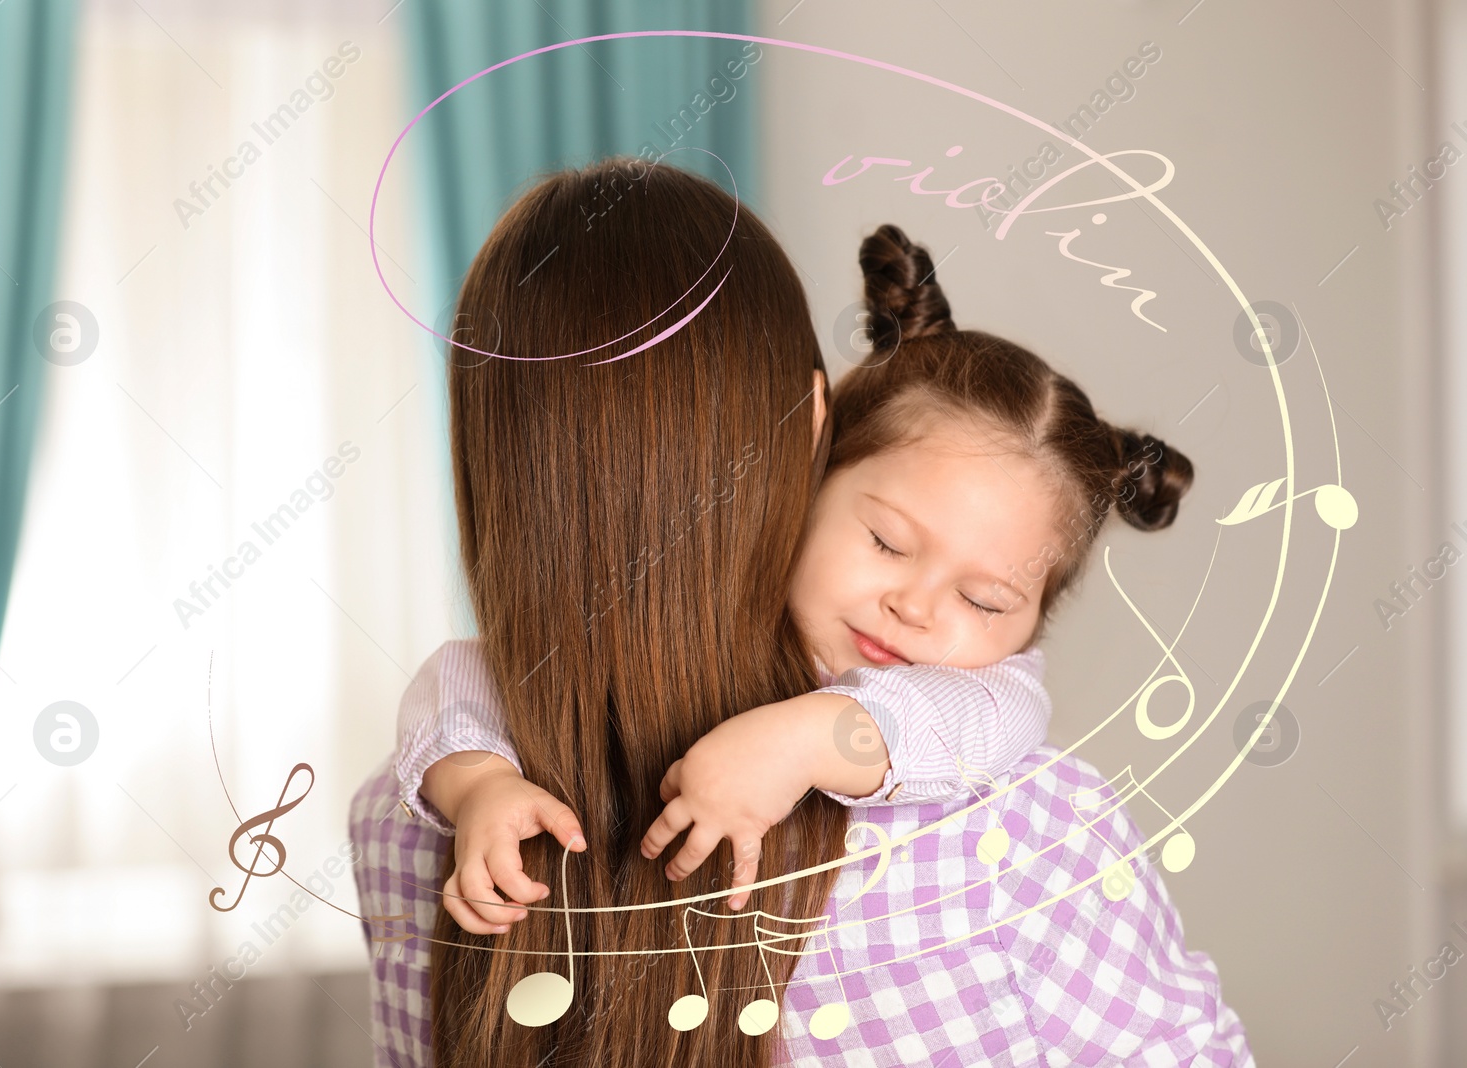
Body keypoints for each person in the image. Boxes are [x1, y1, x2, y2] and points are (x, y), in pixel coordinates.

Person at [350, 164, 1252, 1065]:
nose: (915, 606)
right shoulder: (1024, 840)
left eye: (985, 600)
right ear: (815, 447)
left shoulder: (394, 827)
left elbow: (1004, 710)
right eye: (890, 545)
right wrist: (476, 784)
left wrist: (812, 739)